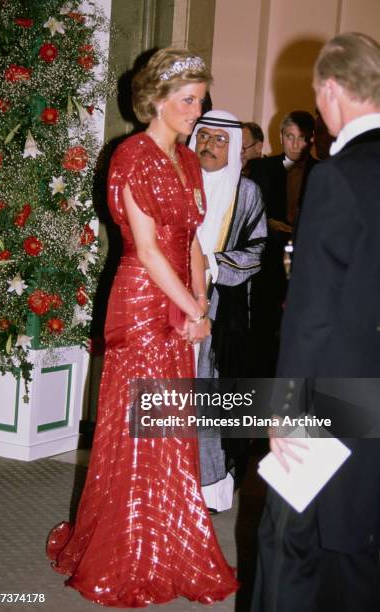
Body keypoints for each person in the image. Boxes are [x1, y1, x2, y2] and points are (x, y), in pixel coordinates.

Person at [46, 48, 238, 607]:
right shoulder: (131, 155)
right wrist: (193, 310)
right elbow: (150, 251)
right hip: (142, 299)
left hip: (181, 294)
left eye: (200, 100)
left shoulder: (185, 159)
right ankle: (130, 549)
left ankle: (168, 541)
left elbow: (194, 242)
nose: (196, 110)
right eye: (187, 100)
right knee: (137, 425)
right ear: (156, 99)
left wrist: (202, 300)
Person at [251, 32, 380, 612]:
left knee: (291, 543)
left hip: (336, 394)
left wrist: (282, 411)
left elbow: (310, 315)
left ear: (331, 90)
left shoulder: (335, 177)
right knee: (360, 541)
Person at [189, 110, 266, 511]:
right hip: (171, 300)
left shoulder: (247, 192)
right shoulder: (179, 182)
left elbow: (257, 251)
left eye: (221, 140)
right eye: (205, 136)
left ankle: (209, 487)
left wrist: (211, 265)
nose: (210, 145)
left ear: (234, 146)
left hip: (221, 304)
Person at [247, 111, 318, 376]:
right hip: (267, 258)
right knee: (262, 327)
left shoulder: (321, 171)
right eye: (290, 137)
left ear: (310, 140)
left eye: (301, 139)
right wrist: (268, 223)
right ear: (281, 137)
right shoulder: (262, 168)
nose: (296, 145)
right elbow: (249, 212)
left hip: (305, 262)